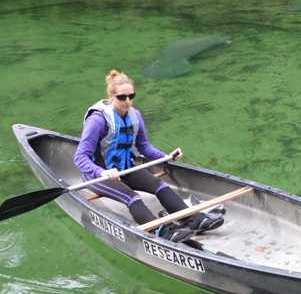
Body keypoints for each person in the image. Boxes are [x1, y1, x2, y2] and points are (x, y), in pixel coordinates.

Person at [74, 70, 223, 243]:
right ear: (111, 96)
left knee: (159, 185)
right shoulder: (98, 120)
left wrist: (167, 157)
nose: (128, 101)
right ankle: (162, 231)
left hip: (125, 168)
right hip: (96, 175)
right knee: (132, 196)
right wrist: (103, 173)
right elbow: (80, 157)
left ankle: (194, 219)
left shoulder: (135, 116)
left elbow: (143, 146)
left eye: (131, 96)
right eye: (122, 97)